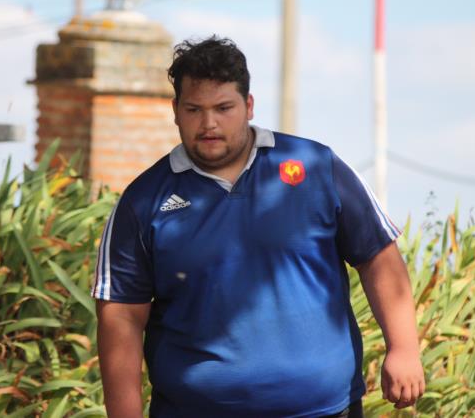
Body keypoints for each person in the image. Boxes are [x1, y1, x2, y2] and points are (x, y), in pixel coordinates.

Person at [92, 36, 425, 418]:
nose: (209, 123)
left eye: (224, 108)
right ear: (175, 111)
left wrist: (404, 349)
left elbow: (378, 257)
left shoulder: (315, 166)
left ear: (248, 106)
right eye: (194, 109)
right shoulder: (144, 200)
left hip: (326, 409)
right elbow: (121, 316)